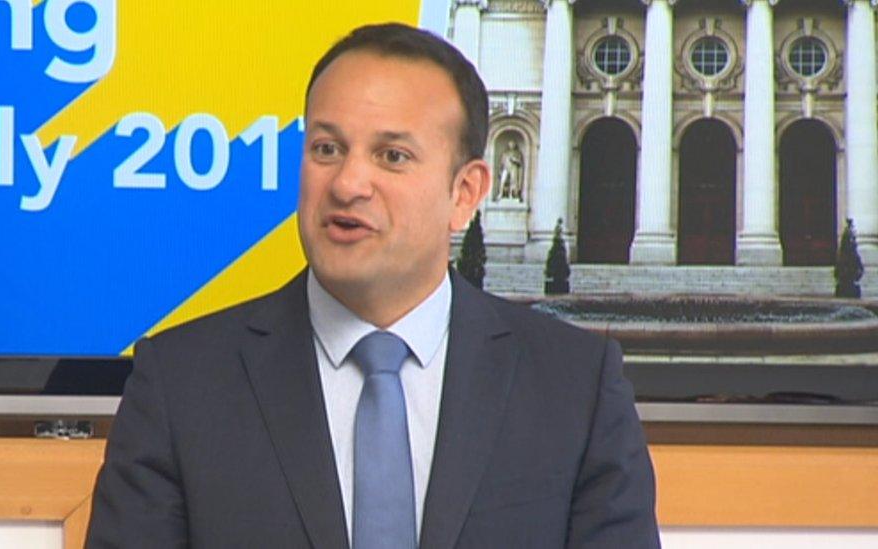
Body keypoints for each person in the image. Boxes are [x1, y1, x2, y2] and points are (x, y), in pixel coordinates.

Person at [85, 23, 660, 549]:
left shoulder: (576, 386)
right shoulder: (181, 383)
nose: (348, 183)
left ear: (465, 192)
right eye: (326, 149)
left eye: (392, 155)